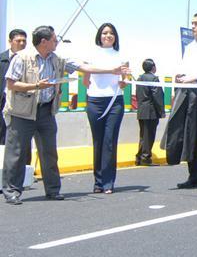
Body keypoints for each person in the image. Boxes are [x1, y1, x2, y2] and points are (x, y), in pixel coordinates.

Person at [2, 25, 126, 205]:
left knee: (49, 153)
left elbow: (84, 67)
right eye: (54, 40)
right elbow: (11, 84)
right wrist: (36, 86)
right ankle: (12, 191)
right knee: (17, 153)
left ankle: (53, 190)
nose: (57, 42)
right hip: (22, 112)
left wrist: (111, 71)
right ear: (44, 42)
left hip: (46, 112)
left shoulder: (58, 59)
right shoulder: (22, 58)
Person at [162, 12, 197, 189]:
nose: (192, 27)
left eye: (196, 24)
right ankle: (194, 176)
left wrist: (195, 77)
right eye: (192, 23)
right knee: (191, 136)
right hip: (188, 94)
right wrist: (179, 76)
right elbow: (185, 67)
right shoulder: (190, 47)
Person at [83, 22, 127, 194]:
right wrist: (108, 72)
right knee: (98, 141)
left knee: (109, 141)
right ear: (99, 36)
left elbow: (124, 80)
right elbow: (85, 79)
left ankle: (108, 182)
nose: (108, 36)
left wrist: (123, 81)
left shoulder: (121, 55)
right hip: (95, 101)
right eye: (104, 33)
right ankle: (98, 182)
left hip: (115, 102)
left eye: (111, 33)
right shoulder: (91, 54)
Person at [135, 58, 165, 166]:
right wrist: (161, 111)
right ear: (153, 67)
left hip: (141, 109)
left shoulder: (139, 78)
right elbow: (157, 96)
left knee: (143, 135)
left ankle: (139, 157)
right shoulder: (154, 79)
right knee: (149, 136)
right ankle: (146, 157)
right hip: (151, 111)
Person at [1, 29, 27, 146]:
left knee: (21, 138)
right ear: (10, 41)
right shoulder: (2, 59)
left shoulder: (30, 60)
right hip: (3, 102)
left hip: (22, 104)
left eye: (24, 41)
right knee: (2, 135)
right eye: (18, 41)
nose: (22, 43)